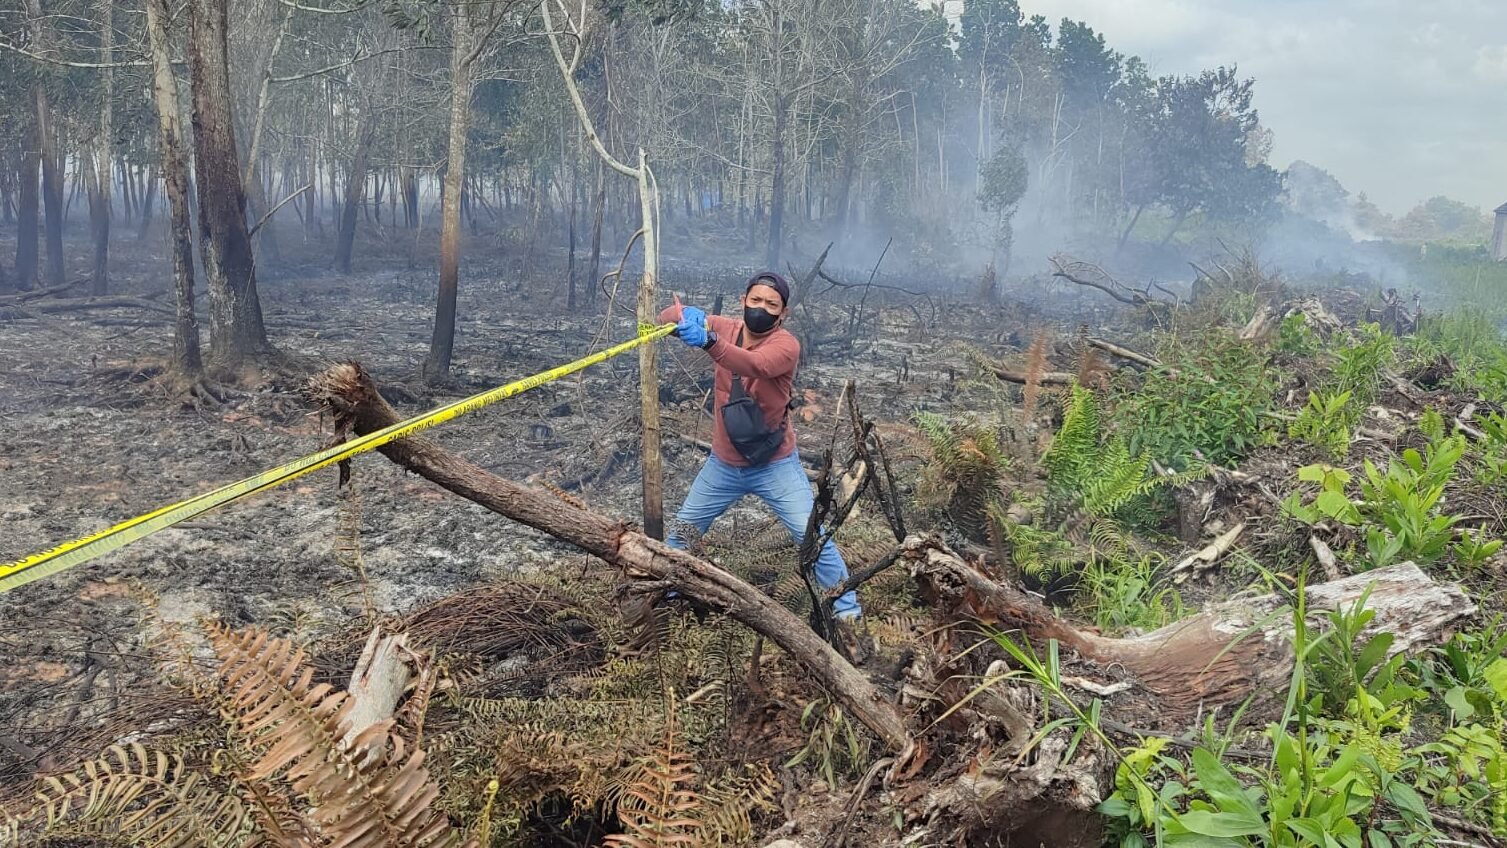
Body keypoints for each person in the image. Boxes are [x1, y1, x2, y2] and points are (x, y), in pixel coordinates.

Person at [658, 272, 862, 623]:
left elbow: (755, 364)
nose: (761, 309)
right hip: (723, 464)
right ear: (743, 300)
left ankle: (847, 612)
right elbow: (663, 318)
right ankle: (670, 598)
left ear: (783, 313)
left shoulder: (786, 345)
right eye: (756, 300)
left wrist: (708, 341)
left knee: (810, 535)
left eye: (771, 304)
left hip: (774, 465)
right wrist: (684, 314)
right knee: (681, 534)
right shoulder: (725, 326)